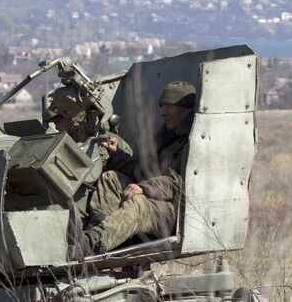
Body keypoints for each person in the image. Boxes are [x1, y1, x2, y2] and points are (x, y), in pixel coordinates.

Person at [46, 81, 196, 258]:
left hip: (176, 210)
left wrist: (144, 188)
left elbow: (177, 183)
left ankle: (91, 245)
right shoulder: (166, 136)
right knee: (110, 179)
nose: (163, 112)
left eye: (169, 106)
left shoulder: (192, 140)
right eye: (162, 106)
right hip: (156, 197)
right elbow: (143, 171)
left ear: (185, 108)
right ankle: (97, 236)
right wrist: (117, 155)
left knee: (138, 204)